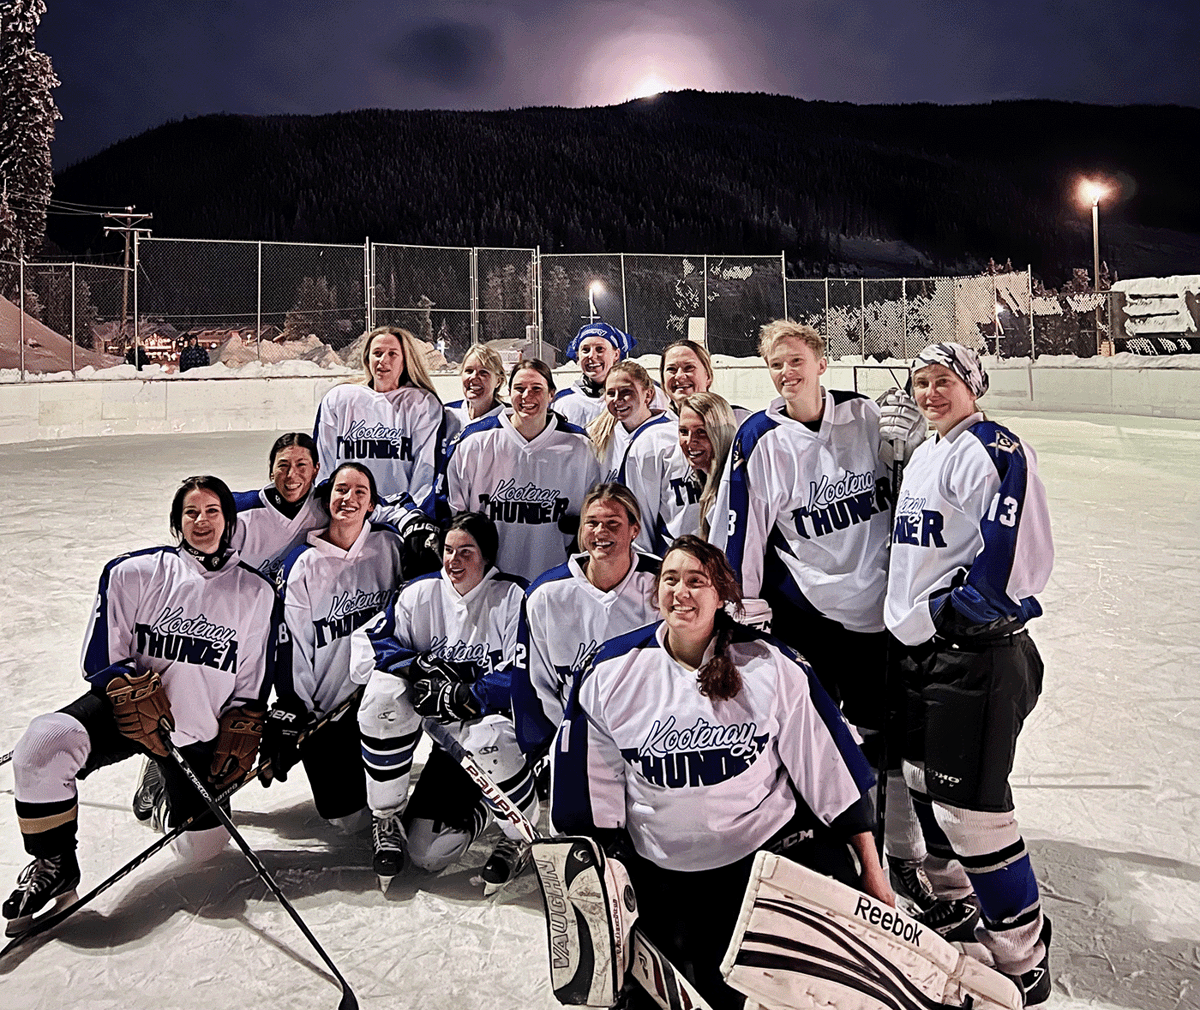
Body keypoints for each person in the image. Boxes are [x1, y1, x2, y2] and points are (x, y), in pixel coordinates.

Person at [551, 536, 892, 1010]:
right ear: (656, 591)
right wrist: (596, 879)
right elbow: (589, 798)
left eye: (696, 581)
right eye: (670, 579)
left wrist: (874, 877)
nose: (681, 591)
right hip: (661, 876)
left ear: (722, 594)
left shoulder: (771, 665)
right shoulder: (611, 673)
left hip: (762, 871)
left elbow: (833, 781)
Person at [4, 476, 278, 936]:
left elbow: (252, 680)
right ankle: (55, 866)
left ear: (229, 521)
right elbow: (100, 656)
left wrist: (245, 721)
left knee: (202, 854)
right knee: (43, 743)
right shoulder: (134, 572)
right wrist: (121, 683)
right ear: (177, 523)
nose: (202, 521)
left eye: (212, 511)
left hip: (195, 731)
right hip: (129, 718)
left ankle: (160, 783)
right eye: (191, 512)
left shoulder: (256, 593)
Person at [885, 342, 1053, 1006]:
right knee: (928, 790)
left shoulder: (993, 446)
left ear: (973, 385)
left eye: (944, 380)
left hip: (972, 653)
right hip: (922, 652)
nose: (930, 392)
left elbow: (1018, 556)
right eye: (921, 382)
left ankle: (1022, 957)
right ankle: (956, 906)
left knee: (973, 813)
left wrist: (956, 614)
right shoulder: (928, 451)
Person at [351, 512, 536, 890]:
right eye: (449, 550)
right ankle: (386, 816)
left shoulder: (515, 596)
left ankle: (521, 836)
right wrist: (414, 666)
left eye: (466, 551)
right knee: (428, 854)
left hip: (503, 738)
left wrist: (469, 695)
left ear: (487, 555)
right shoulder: (420, 593)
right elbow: (370, 644)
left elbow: (530, 670)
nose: (454, 560)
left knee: (489, 742)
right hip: (452, 748)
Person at [259, 462, 404, 836]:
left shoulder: (389, 548)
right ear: (328, 499)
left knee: (385, 794)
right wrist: (298, 708)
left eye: (360, 492)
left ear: (372, 504)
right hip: (327, 711)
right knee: (345, 818)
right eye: (342, 490)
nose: (349, 499)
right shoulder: (303, 564)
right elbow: (293, 645)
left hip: (379, 701)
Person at [511, 484, 660, 761]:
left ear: (634, 530)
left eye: (612, 523)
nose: (600, 532)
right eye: (592, 523)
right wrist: (546, 748)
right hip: (575, 743)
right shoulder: (545, 594)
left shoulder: (663, 583)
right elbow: (531, 684)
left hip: (650, 739)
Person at [436, 358, 600, 583]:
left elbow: (594, 512)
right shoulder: (474, 442)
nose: (527, 396)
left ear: (552, 394)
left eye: (536, 389)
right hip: (487, 582)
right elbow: (452, 512)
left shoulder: (580, 446)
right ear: (508, 391)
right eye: (519, 389)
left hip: (555, 581)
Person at [312, 325, 443, 506]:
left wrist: (412, 513)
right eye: (378, 353)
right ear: (367, 359)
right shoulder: (340, 399)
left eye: (392, 354)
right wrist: (327, 505)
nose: (383, 360)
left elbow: (425, 470)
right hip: (348, 510)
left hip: (399, 515)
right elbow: (323, 463)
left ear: (406, 359)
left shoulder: (422, 404)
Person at [589, 360, 687, 555]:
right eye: (611, 393)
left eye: (626, 392)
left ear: (648, 394)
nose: (618, 399)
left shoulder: (669, 435)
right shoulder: (599, 435)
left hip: (656, 556)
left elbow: (676, 513)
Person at [552, 321, 667, 428]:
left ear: (616, 354)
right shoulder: (563, 401)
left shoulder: (646, 392)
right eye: (585, 350)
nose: (591, 356)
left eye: (600, 349)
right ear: (578, 356)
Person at [664, 391, 737, 541]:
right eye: (684, 431)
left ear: (721, 433)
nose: (690, 441)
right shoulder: (708, 480)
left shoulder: (732, 486)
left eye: (701, 432)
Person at [659, 338, 750, 424]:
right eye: (671, 369)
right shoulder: (655, 430)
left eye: (689, 367)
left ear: (708, 376)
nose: (679, 376)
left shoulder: (739, 419)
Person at [440, 343, 507, 452]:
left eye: (483, 372)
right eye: (469, 371)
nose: (474, 377)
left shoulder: (506, 421)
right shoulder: (447, 413)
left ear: (498, 381)